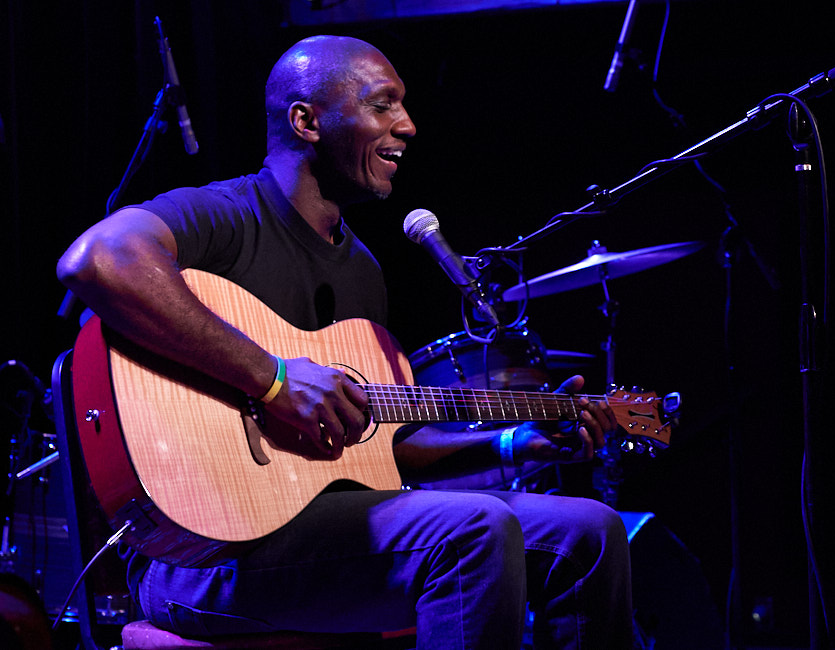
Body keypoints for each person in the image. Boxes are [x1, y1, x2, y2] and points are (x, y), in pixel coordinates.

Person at [57, 35, 633, 649]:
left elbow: (389, 448)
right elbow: (96, 259)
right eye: (383, 106)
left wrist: (517, 442)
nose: (407, 127)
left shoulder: (363, 269)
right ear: (306, 121)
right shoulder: (228, 216)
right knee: (476, 528)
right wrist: (271, 379)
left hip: (321, 529)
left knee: (590, 532)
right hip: (199, 556)